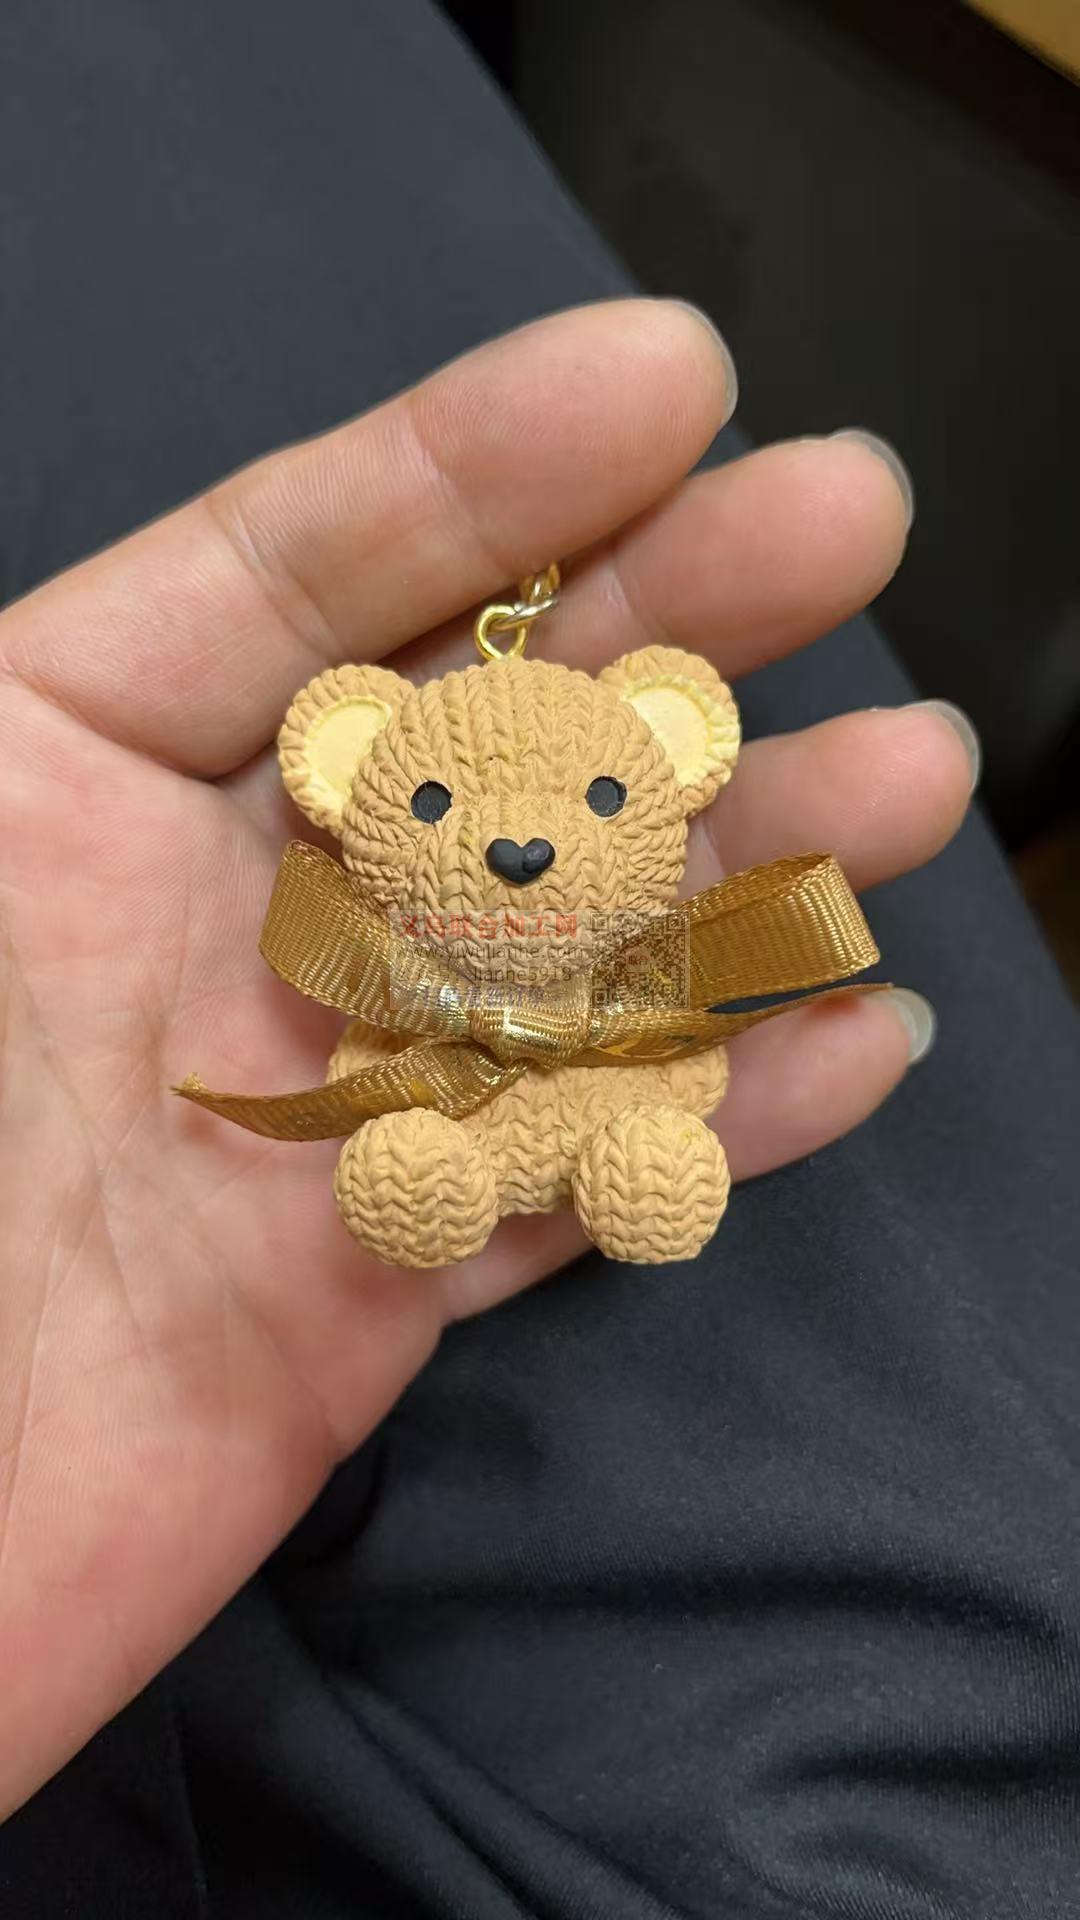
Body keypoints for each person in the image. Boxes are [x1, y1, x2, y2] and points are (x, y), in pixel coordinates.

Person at [1, 3, 1077, 1914]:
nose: (508, 845)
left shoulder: (642, 958)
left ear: (663, 755)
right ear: (353, 776)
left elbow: (674, 1046)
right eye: (439, 811)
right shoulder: (377, 973)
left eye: (580, 805)